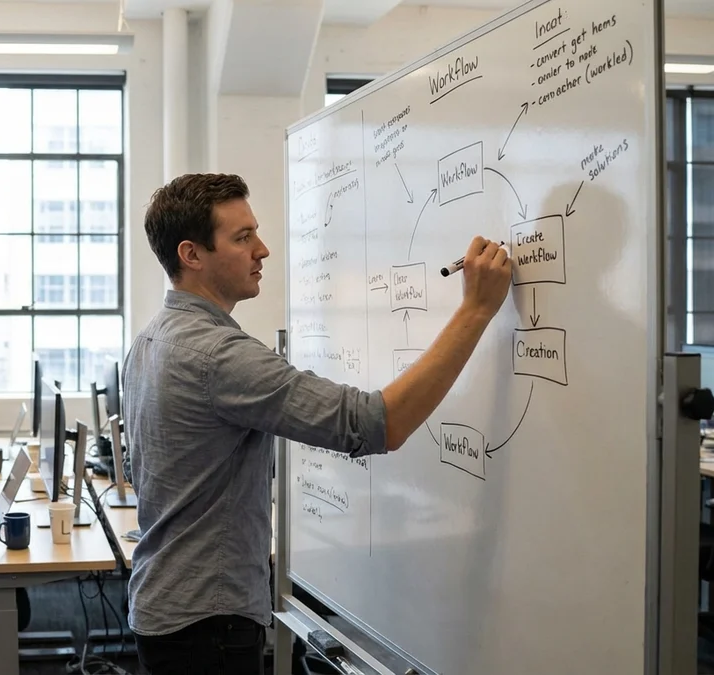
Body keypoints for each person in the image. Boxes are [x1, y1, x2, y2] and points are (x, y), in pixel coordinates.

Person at [124, 173, 512, 674]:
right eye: (242, 238)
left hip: (166, 607)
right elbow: (378, 423)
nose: (262, 250)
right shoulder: (217, 355)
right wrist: (477, 309)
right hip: (207, 624)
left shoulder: (153, 337)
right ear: (191, 254)